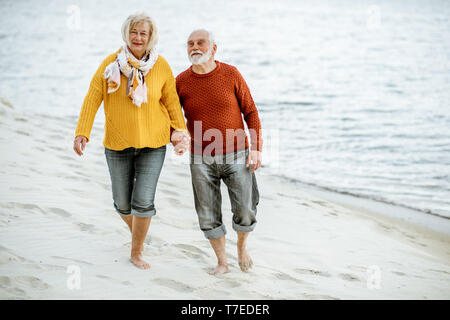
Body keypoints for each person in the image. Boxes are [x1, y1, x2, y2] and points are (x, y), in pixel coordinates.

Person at [73, 13, 189, 270]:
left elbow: (171, 102)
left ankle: (136, 252)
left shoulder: (162, 66)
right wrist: (83, 132)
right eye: (134, 32)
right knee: (122, 204)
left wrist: (180, 132)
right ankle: (140, 233)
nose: (138, 37)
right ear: (127, 34)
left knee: (143, 202)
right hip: (117, 143)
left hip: (154, 143)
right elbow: (92, 98)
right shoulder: (109, 65)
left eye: (143, 33)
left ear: (151, 37)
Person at [176, 29, 263, 275]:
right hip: (200, 157)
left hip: (237, 153)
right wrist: (178, 137)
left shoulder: (231, 74)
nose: (194, 47)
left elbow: (251, 112)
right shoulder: (180, 81)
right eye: (190, 43)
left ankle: (242, 248)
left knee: (245, 209)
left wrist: (256, 148)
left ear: (214, 48)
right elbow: (172, 116)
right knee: (207, 213)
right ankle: (222, 262)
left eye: (200, 43)